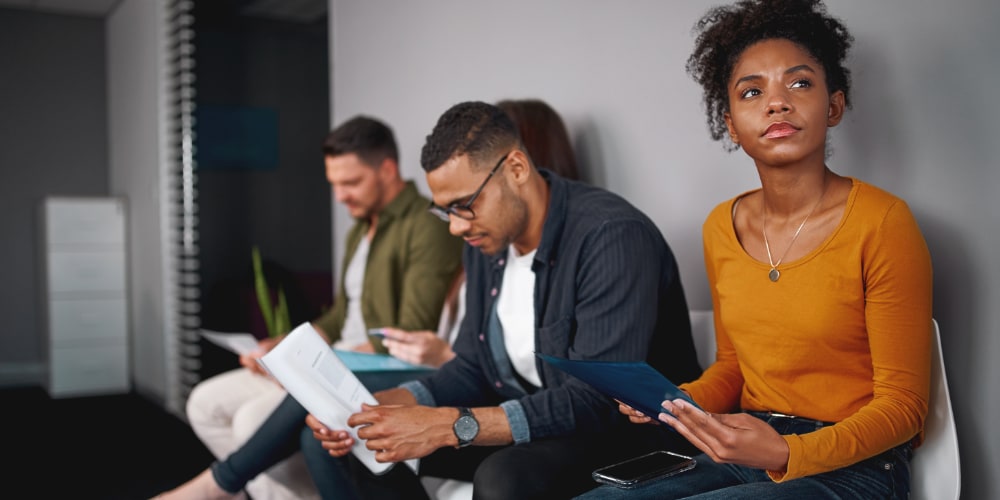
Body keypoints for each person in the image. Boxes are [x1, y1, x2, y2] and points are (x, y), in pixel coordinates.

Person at [577, 1, 933, 498]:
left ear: (833, 105)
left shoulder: (883, 223)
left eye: (800, 83)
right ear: (730, 122)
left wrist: (790, 452)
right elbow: (732, 368)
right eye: (752, 92)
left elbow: (905, 406)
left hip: (856, 465)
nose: (777, 103)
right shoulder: (722, 226)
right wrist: (676, 401)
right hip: (746, 446)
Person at [301, 101, 702, 499]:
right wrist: (382, 407)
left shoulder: (611, 236)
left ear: (516, 169)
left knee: (504, 477)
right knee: (350, 448)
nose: (456, 226)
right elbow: (472, 368)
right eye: (446, 212)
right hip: (541, 425)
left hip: (626, 435)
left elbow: (595, 401)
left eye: (464, 206)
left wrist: (447, 425)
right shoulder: (486, 242)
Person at [157, 115, 463, 499]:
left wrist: (312, 361)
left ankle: (217, 488)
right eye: (334, 184)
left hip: (364, 368)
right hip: (334, 358)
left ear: (387, 170)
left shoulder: (425, 225)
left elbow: (410, 333)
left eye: (351, 182)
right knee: (204, 402)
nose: (340, 196)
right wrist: (284, 346)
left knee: (252, 420)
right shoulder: (359, 229)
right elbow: (339, 316)